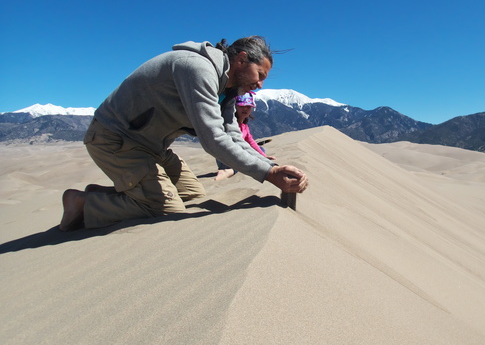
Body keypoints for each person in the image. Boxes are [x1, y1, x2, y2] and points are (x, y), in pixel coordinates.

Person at [59, 36, 308, 231]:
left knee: (193, 193)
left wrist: (269, 165)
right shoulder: (197, 69)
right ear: (241, 60)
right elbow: (213, 139)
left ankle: (109, 194)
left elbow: (232, 134)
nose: (260, 85)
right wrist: (268, 173)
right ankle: (83, 204)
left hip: (152, 147)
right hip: (116, 138)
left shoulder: (228, 88)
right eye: (260, 75)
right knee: (165, 208)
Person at [215, 91, 275, 181]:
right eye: (242, 106)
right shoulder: (231, 124)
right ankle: (229, 171)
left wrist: (263, 156)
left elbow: (251, 142)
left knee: (260, 149)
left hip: (237, 156)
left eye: (248, 106)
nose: (245, 109)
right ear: (234, 106)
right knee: (243, 161)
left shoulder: (244, 126)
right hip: (227, 157)